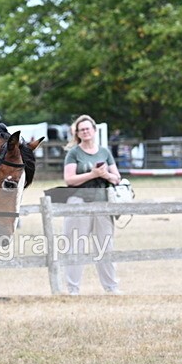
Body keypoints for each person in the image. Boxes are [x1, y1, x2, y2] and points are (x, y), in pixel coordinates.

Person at [62, 114, 122, 295]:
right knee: (76, 245)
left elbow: (116, 178)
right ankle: (73, 289)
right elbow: (69, 179)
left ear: (94, 131)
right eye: (82, 130)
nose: (85, 132)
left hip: (102, 202)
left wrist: (105, 176)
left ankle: (111, 288)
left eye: (88, 128)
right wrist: (93, 174)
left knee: (105, 246)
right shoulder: (74, 153)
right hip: (78, 202)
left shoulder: (104, 152)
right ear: (78, 133)